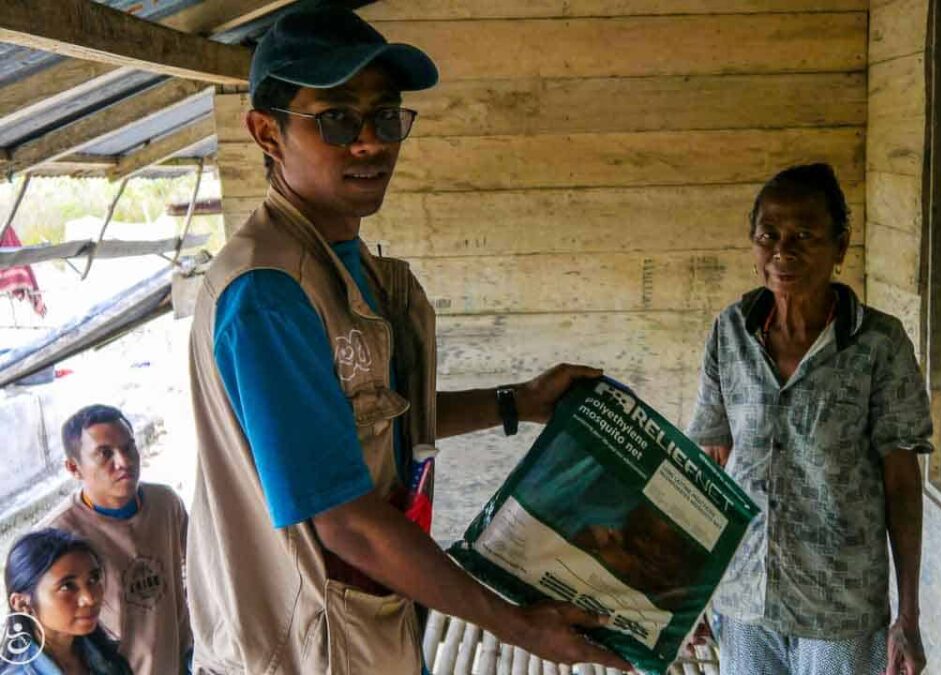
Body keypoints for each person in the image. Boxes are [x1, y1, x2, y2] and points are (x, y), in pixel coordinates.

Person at [185, 7, 629, 674]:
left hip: (359, 627)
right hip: (303, 647)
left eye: (386, 118)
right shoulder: (268, 294)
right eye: (337, 119)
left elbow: (368, 421)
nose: (370, 142)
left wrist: (520, 401)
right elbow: (347, 520)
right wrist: (518, 625)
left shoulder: (342, 263)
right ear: (266, 132)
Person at [686, 163, 931, 675]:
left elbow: (902, 484)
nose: (783, 251)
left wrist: (907, 614)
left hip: (839, 609)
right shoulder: (730, 333)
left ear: (841, 246)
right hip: (746, 598)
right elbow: (710, 465)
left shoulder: (878, 345)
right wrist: (691, 594)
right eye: (768, 235)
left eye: (804, 235)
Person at [39, 405, 191, 675]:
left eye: (129, 447)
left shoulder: (164, 503)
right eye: (105, 453)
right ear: (74, 468)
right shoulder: (59, 534)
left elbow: (197, 568)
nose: (124, 462)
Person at [2, 528, 133, 675]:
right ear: (23, 604)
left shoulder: (107, 657)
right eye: (67, 586)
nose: (90, 598)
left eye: (93, 579)